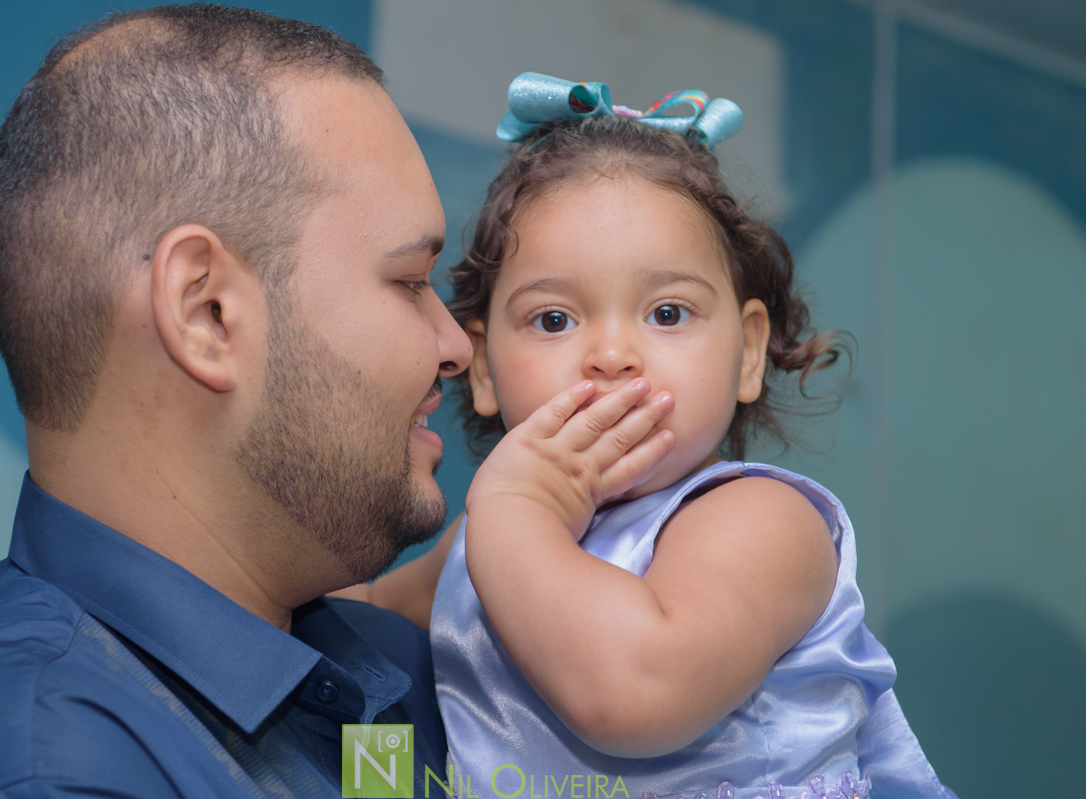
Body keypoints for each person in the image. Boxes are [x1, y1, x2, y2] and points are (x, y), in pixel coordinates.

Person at [0, 6, 472, 797]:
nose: (456, 347)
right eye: (408, 282)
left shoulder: (384, 671)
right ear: (207, 312)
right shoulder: (40, 774)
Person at [348, 74, 957, 798]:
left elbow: (634, 693)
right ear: (482, 366)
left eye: (667, 313)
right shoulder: (483, 538)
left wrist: (518, 511)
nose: (612, 353)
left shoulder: (761, 522)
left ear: (749, 351)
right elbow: (355, 631)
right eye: (554, 319)